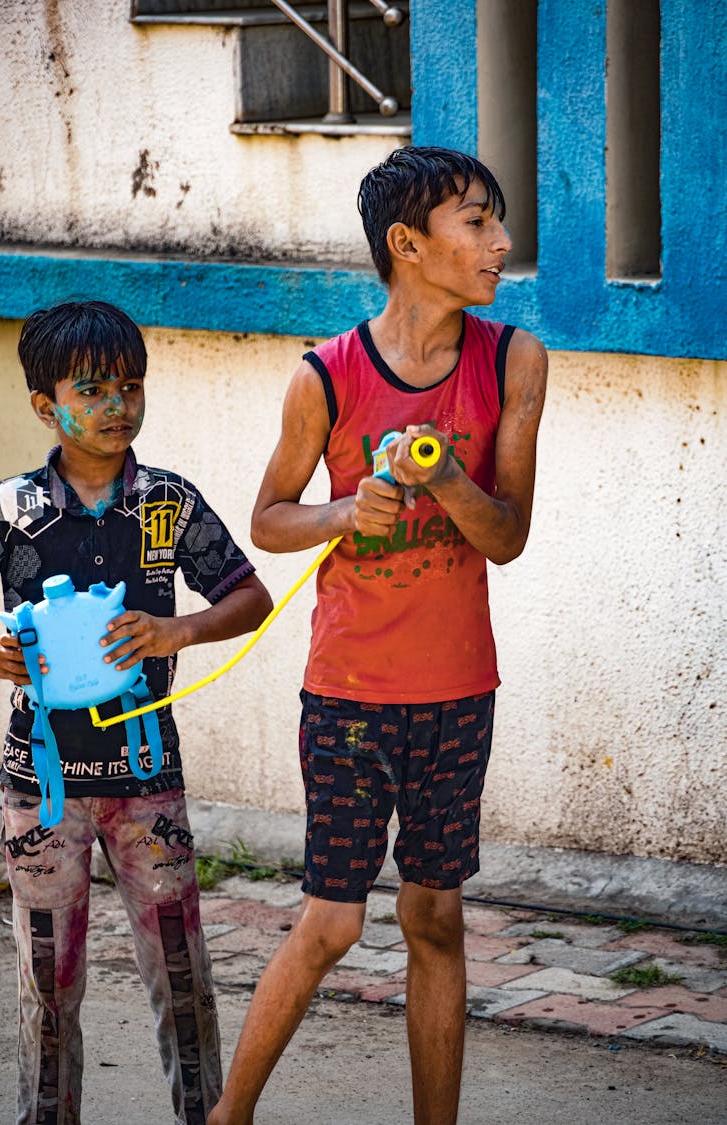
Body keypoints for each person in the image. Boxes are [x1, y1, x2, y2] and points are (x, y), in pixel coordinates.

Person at [208, 145, 548, 1125]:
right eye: (477, 223)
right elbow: (270, 517)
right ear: (409, 244)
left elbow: (510, 537)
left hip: (456, 693)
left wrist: (446, 481)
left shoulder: (513, 359)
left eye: (498, 220)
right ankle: (229, 1116)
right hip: (349, 697)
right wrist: (340, 514)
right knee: (331, 922)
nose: (501, 242)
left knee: (435, 916)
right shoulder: (326, 376)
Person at [0, 299, 273, 1125]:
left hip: (150, 782)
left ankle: (207, 1116)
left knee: (182, 978)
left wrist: (177, 628)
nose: (117, 406)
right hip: (41, 787)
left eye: (130, 386)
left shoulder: (167, 503)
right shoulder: (9, 510)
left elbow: (251, 596)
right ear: (46, 406)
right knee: (48, 984)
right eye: (94, 389)